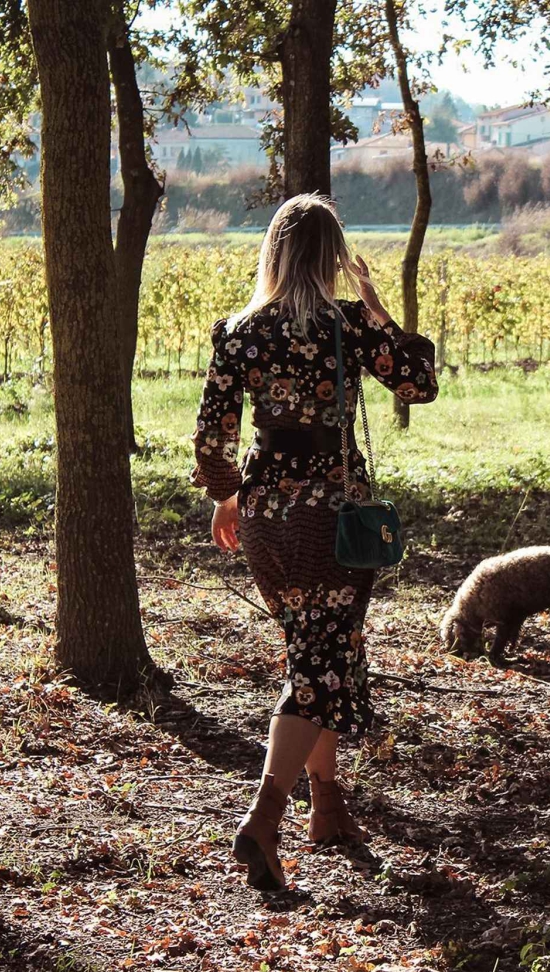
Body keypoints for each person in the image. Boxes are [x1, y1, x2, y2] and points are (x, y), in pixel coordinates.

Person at [191, 194, 438, 891]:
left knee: (321, 651)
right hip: (331, 516)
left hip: (268, 516)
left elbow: (211, 439)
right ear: (331, 256)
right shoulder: (347, 323)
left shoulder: (239, 331)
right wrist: (380, 309)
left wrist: (227, 494)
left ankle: (328, 806)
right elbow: (419, 384)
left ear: (273, 250)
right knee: (321, 661)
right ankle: (263, 819)